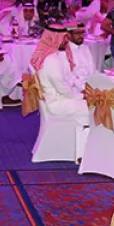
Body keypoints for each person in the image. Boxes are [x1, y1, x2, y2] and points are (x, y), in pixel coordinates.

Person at [32, 26, 91, 158]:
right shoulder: (51, 61)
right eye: (64, 37)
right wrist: (82, 96)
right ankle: (83, 151)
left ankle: (80, 148)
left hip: (59, 98)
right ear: (55, 39)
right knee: (93, 108)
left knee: (91, 106)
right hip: (58, 103)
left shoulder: (52, 56)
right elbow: (62, 89)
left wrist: (81, 92)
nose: (67, 40)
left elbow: (66, 81)